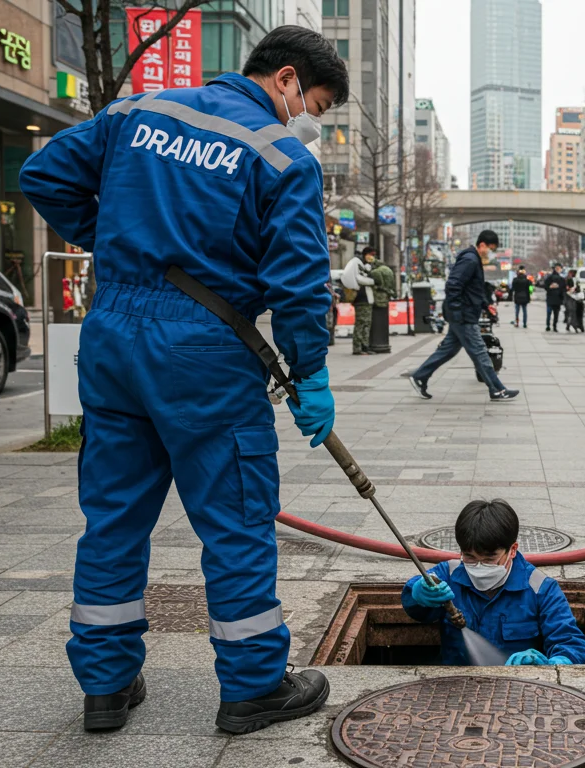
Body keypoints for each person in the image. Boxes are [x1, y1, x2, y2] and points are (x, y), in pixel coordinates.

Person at [19, 25, 348, 734]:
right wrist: (311, 372)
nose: (308, 121)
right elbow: (297, 282)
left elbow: (40, 175)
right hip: (203, 352)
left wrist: (116, 238)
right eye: (313, 103)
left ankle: (105, 684)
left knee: (112, 516)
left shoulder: (136, 111)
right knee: (234, 521)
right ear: (286, 79)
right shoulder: (280, 153)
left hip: (114, 335)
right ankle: (255, 684)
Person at [402, 499, 585, 666]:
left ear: (513, 550)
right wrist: (418, 593)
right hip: (455, 688)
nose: (479, 566)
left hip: (518, 691)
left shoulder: (541, 588)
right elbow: (414, 598)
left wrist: (554, 664)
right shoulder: (449, 574)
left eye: (490, 558)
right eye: (469, 556)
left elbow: (570, 643)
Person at [407, 231, 518, 402]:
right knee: (480, 352)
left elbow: (472, 289)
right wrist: (458, 312)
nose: (491, 253)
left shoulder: (473, 259)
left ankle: (420, 376)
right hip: (464, 315)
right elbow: (453, 285)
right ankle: (497, 389)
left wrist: (485, 305)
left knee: (448, 350)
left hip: (463, 313)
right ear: (482, 245)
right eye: (490, 249)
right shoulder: (470, 260)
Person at [349, 247, 376, 355]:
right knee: (360, 323)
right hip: (360, 299)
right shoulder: (357, 264)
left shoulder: (370, 266)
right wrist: (371, 281)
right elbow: (358, 278)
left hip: (368, 299)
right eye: (370, 254)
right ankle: (357, 348)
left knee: (367, 324)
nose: (372, 257)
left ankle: (365, 346)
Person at [367, 252, 396, 353]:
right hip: (386, 298)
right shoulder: (389, 270)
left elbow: (379, 284)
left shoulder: (376, 272)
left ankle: (377, 344)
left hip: (378, 298)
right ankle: (383, 343)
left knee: (376, 321)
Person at [542, 265, 567, 332]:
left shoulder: (549, 278)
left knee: (549, 313)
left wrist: (550, 287)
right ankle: (554, 326)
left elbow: (545, 286)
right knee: (556, 314)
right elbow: (564, 289)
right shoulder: (561, 279)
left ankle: (548, 326)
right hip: (557, 299)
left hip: (550, 298)